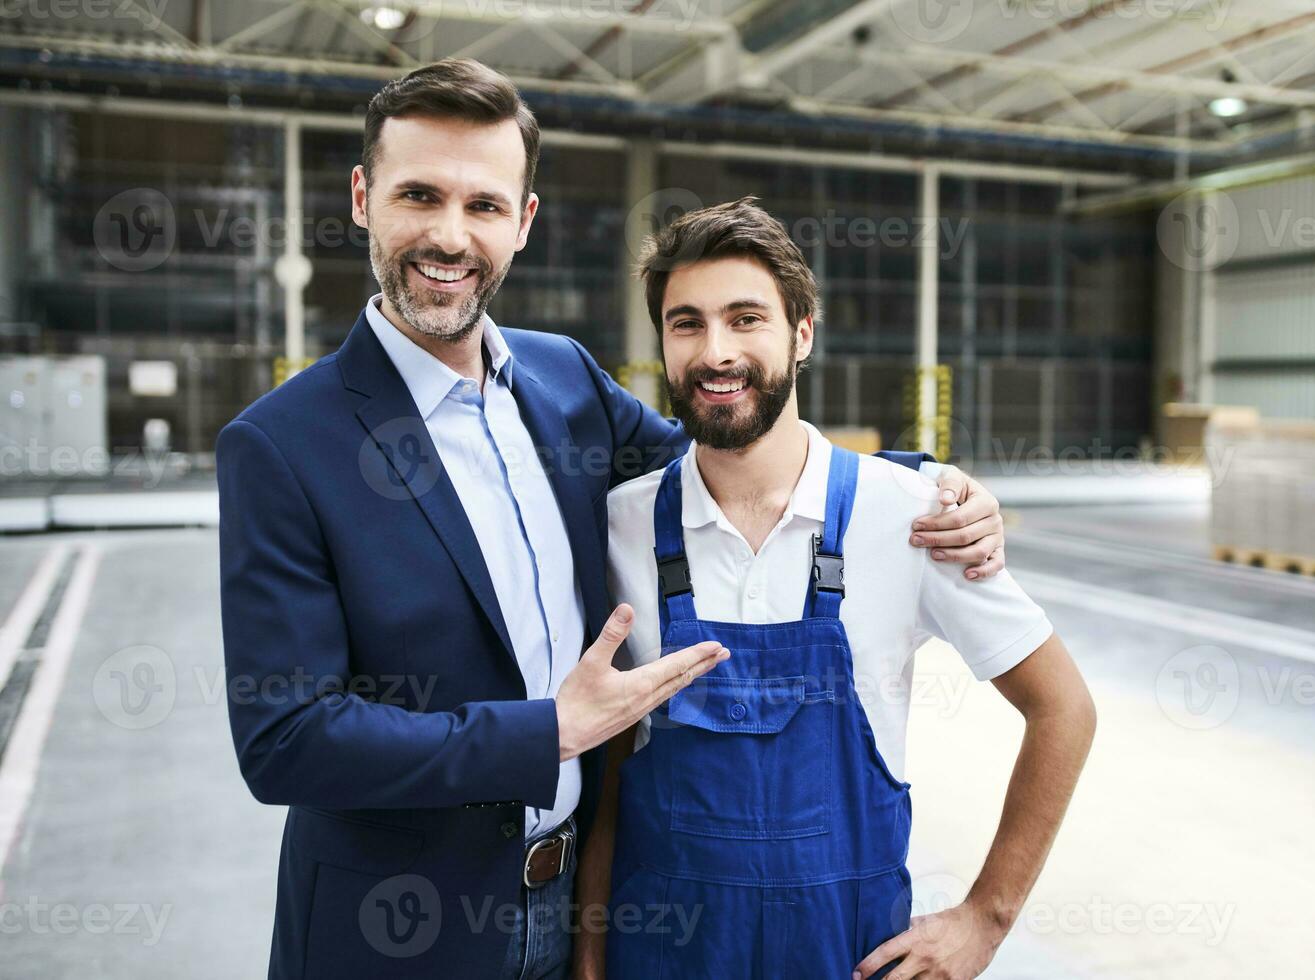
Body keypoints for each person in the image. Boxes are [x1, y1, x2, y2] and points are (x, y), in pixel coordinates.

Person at [216, 60, 1015, 979]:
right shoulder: (284, 445)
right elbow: (286, 742)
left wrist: (915, 485)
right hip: (403, 931)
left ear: (522, 221)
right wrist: (544, 732)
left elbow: (722, 450)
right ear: (363, 199)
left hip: (576, 914)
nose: (448, 236)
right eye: (418, 196)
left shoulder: (563, 385)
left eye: (482, 205)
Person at [574, 198, 1096, 979]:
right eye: (687, 323)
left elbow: (1063, 707)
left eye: (746, 319)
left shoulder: (912, 518)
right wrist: (589, 953)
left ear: (802, 332)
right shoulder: (621, 525)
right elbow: (614, 767)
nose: (716, 352)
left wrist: (985, 919)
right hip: (661, 953)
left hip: (846, 953)